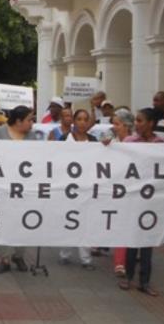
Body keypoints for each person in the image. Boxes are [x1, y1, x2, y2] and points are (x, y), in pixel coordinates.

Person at [117, 108, 164, 296]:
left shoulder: (161, 144)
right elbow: (118, 162)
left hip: (151, 200)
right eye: (136, 120)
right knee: (132, 240)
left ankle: (144, 281)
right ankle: (128, 277)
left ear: (151, 123)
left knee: (147, 242)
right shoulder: (129, 142)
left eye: (140, 120)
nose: (136, 124)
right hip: (133, 198)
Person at [0, 106, 36, 274]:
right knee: (3, 221)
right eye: (29, 119)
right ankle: (4, 258)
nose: (32, 123)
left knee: (22, 221)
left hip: (24, 189)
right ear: (18, 121)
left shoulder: (33, 138)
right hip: (2, 187)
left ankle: (19, 255)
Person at [57, 109, 97, 269]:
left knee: (86, 221)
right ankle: (65, 253)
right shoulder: (64, 140)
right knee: (69, 220)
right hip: (68, 187)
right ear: (73, 121)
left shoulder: (94, 141)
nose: (82, 122)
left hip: (87, 187)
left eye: (85, 119)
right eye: (79, 119)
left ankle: (86, 258)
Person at [104, 108, 134, 277]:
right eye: (113, 123)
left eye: (117, 123)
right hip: (113, 187)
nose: (114, 126)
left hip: (131, 188)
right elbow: (99, 145)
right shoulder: (111, 138)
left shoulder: (136, 142)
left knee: (125, 224)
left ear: (126, 125)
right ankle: (119, 261)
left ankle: (122, 260)